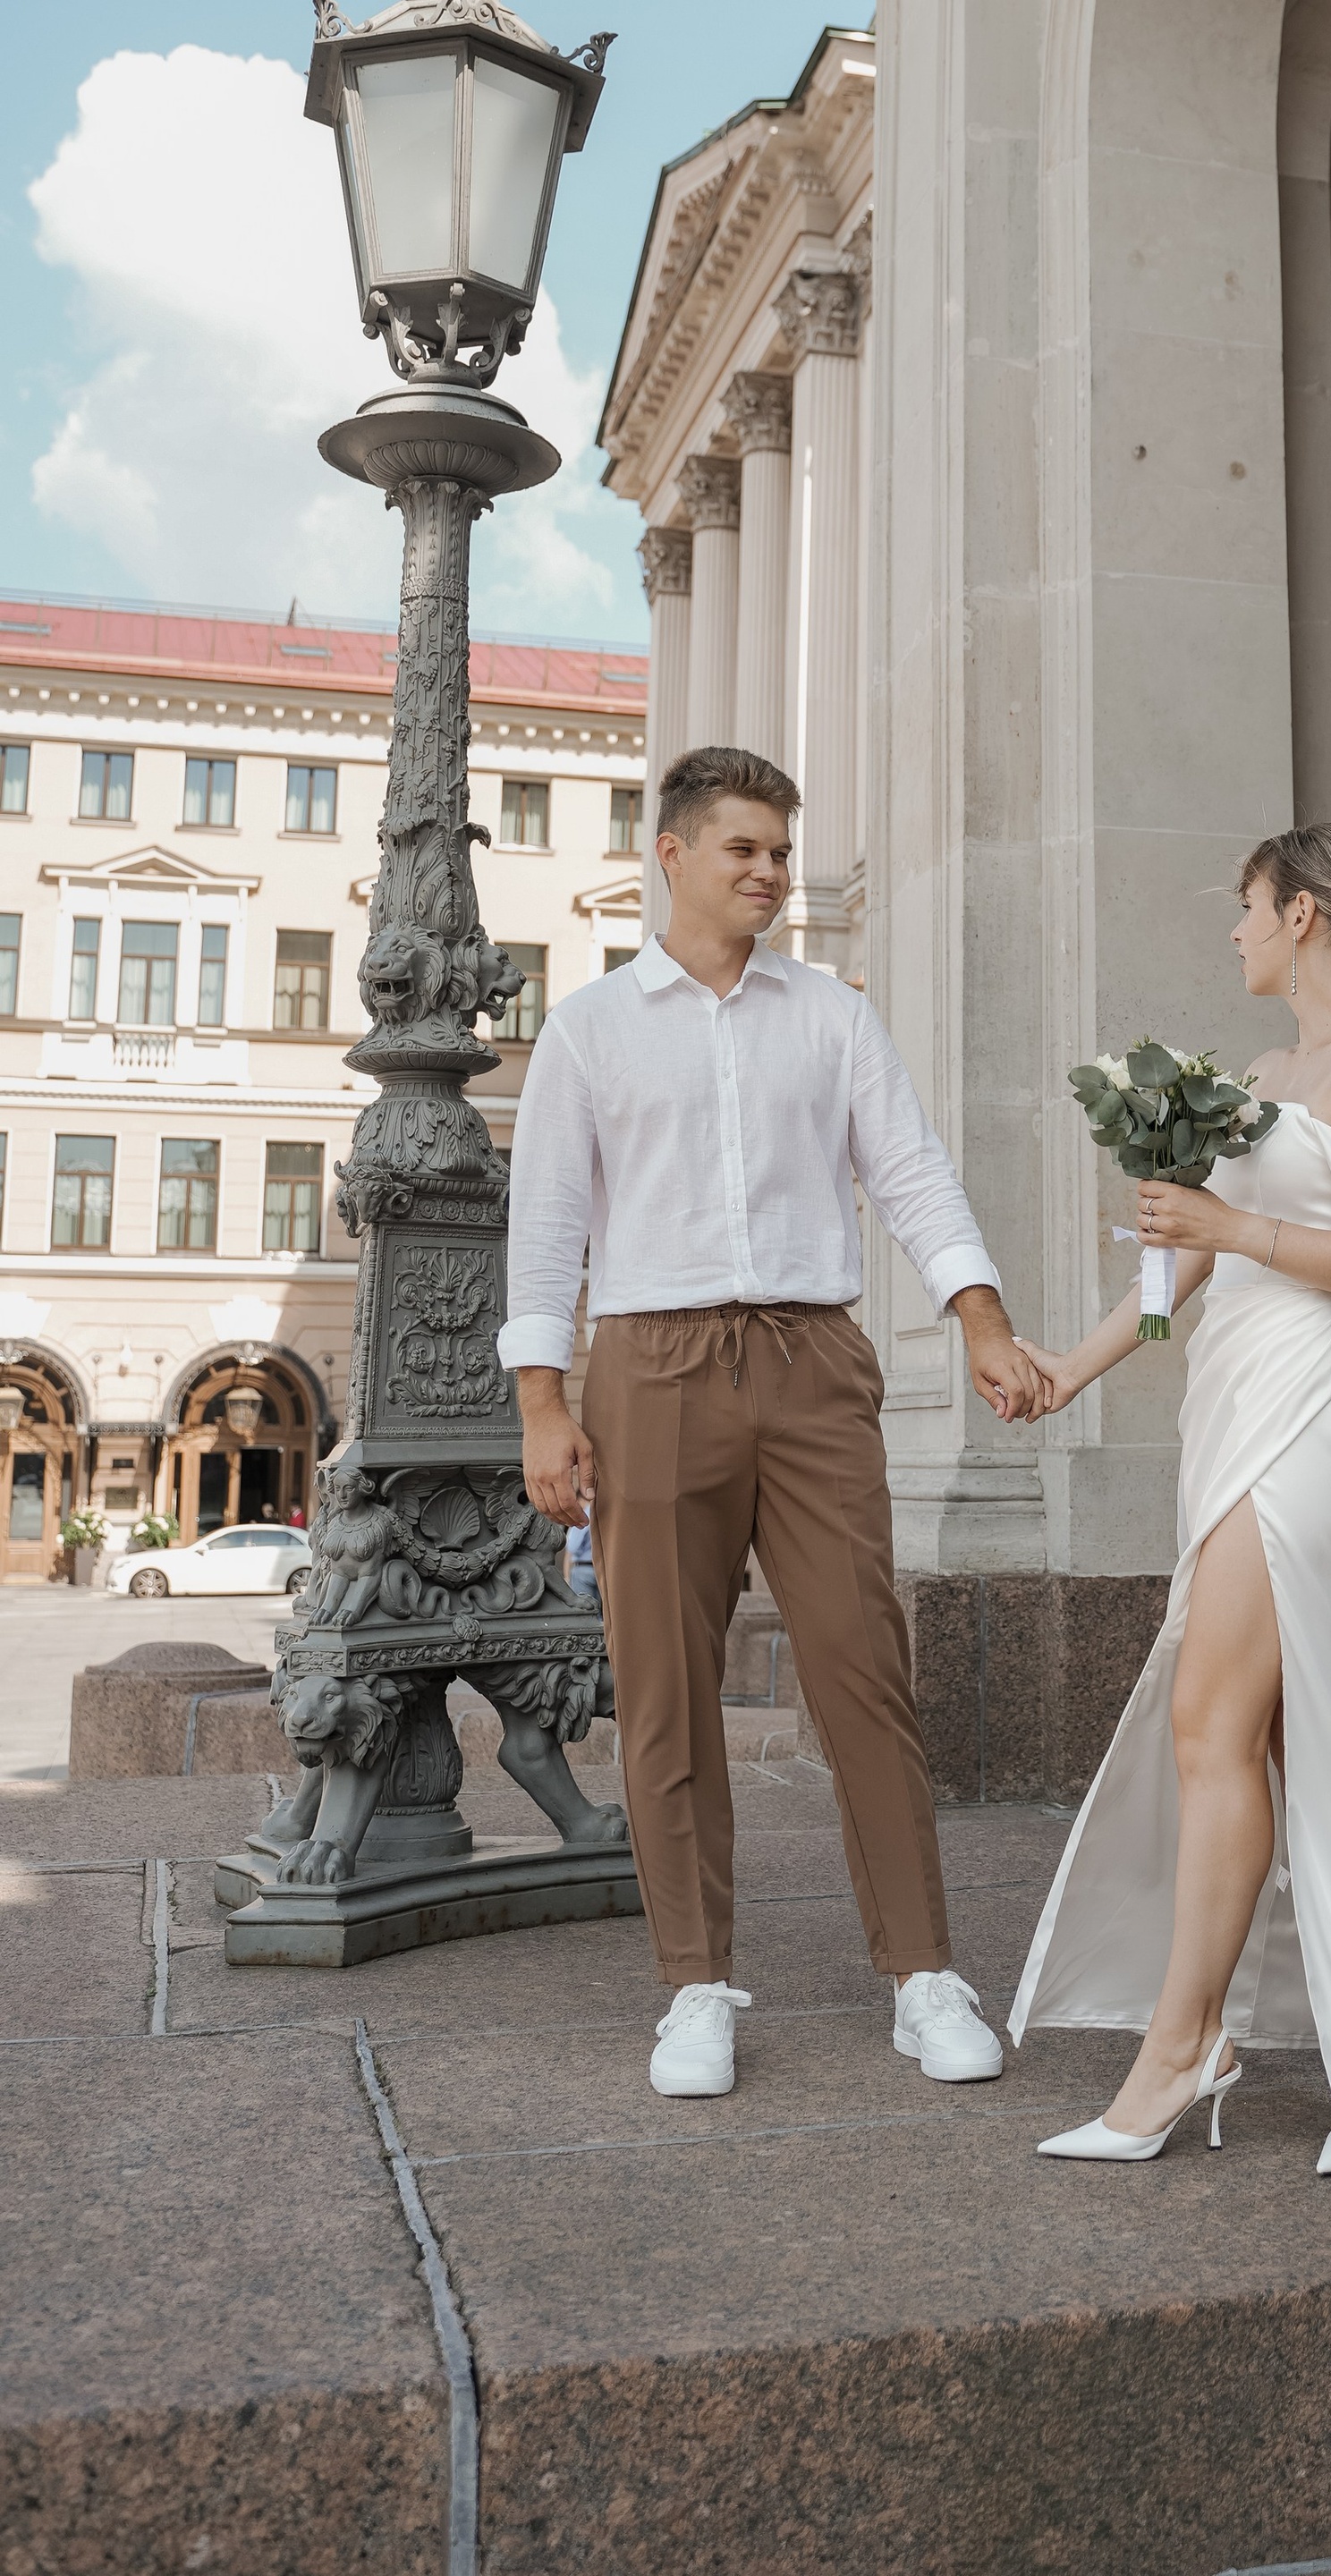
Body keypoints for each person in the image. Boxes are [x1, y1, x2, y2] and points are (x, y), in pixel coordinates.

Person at [502, 743, 1046, 2101]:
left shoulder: (832, 1018)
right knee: (666, 1689)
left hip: (812, 1361)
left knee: (864, 1665)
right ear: (672, 855)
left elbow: (909, 1168)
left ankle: (923, 1972)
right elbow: (550, 1225)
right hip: (651, 1360)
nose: (770, 874)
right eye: (743, 848)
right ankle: (694, 1985)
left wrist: (979, 1315)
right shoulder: (590, 1028)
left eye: (782, 853)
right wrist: (543, 1407)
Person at [1010, 824, 1331, 2174]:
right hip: (1223, 1403)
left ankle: (1181, 2051)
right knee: (1249, 1741)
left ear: (1302, 914)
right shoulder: (1260, 1078)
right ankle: (1240, 2040)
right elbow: (1185, 1272)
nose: (1232, 932)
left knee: (1208, 1721)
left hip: (1300, 1421)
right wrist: (1068, 1370)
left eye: (1244, 908)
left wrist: (1232, 1227)